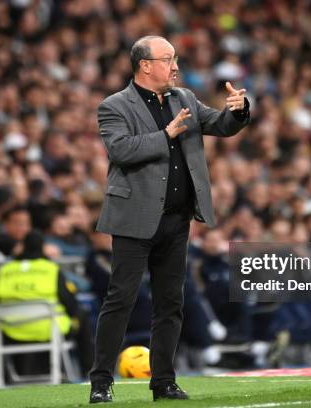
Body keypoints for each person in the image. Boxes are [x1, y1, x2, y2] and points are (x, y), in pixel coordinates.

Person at [89, 35, 249, 403]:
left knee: (170, 303)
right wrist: (166, 134)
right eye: (167, 59)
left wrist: (238, 110)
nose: (175, 66)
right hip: (133, 220)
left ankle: (163, 382)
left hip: (176, 220)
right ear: (145, 65)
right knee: (121, 300)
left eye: (175, 59)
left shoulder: (184, 98)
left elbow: (220, 125)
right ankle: (101, 382)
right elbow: (120, 149)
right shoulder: (114, 106)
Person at [0, 231, 94, 378]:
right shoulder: (51, 269)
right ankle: (88, 371)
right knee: (82, 314)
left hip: (11, 331)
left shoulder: (4, 270)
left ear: (22, 247)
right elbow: (70, 303)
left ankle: (5, 376)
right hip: (48, 329)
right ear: (42, 247)